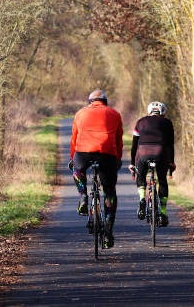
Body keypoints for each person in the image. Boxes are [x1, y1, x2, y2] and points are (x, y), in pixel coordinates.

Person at [69, 89, 123, 248]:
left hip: (83, 152)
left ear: (90, 101)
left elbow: (74, 138)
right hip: (107, 154)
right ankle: (107, 231)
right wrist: (117, 159)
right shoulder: (114, 114)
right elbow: (118, 140)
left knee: (78, 171)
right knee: (109, 191)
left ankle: (83, 196)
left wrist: (73, 158)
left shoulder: (80, 113)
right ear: (105, 101)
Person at [128, 101, 176, 227]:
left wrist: (132, 164)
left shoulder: (140, 122)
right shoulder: (167, 123)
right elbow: (170, 145)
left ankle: (142, 198)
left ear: (149, 111)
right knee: (162, 180)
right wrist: (171, 162)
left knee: (141, 176)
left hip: (143, 153)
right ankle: (163, 213)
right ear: (163, 112)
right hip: (161, 154)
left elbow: (134, 146)